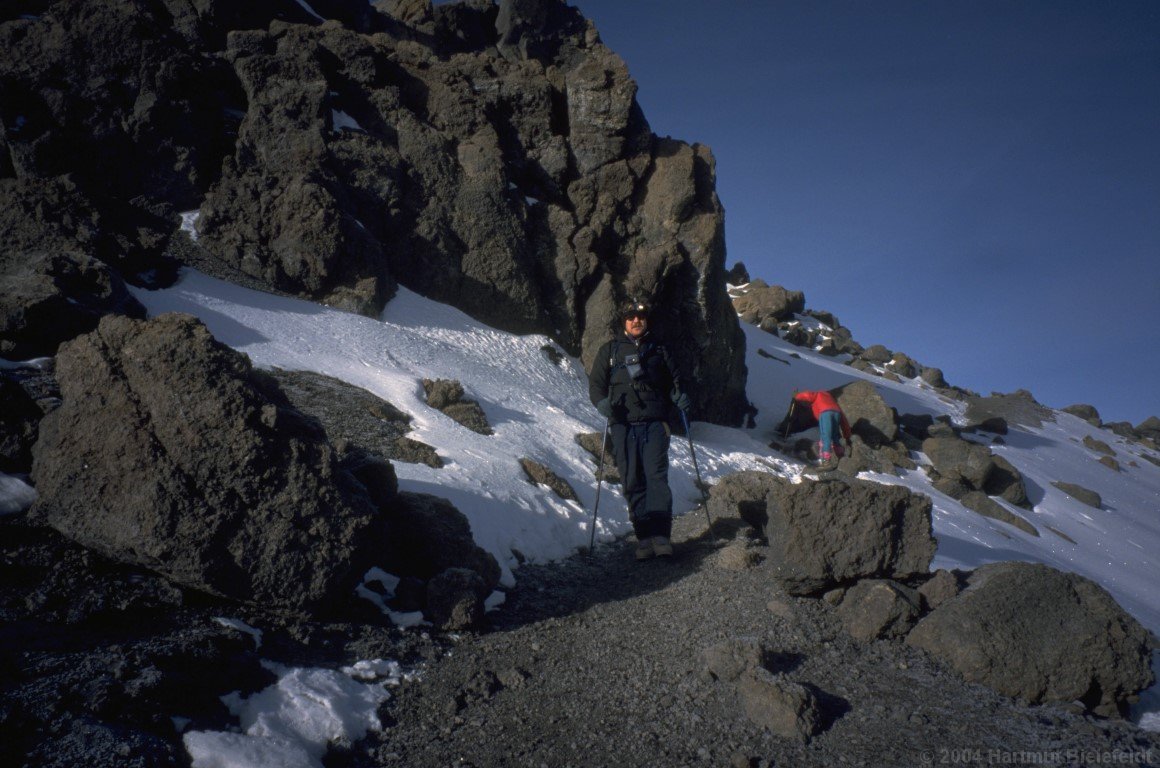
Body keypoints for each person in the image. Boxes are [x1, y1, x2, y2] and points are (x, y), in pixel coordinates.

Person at [589, 298, 691, 560]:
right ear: (624, 321)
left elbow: (675, 383)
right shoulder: (610, 351)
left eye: (641, 317)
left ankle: (661, 536)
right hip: (623, 426)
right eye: (631, 317)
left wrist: (680, 396)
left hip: (655, 424)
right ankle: (644, 537)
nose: (637, 321)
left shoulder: (660, 349)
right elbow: (596, 385)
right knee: (632, 479)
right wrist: (601, 403)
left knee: (656, 477)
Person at [792, 389, 852, 466]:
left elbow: (807, 395)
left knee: (825, 436)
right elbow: (844, 421)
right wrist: (847, 436)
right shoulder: (833, 402)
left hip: (825, 413)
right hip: (836, 413)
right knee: (835, 436)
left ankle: (826, 460)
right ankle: (840, 456)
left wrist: (797, 396)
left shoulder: (818, 394)